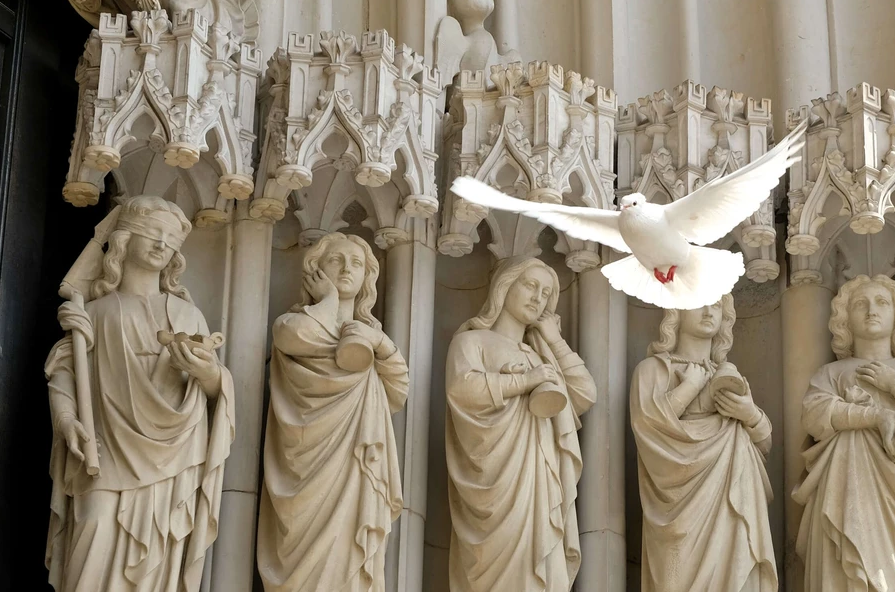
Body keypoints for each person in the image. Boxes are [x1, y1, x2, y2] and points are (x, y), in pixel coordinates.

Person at [44, 196, 234, 591]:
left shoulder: (188, 315)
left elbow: (214, 388)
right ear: (124, 241)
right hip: (106, 447)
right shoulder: (94, 313)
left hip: (174, 453)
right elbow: (64, 372)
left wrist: (210, 373)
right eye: (152, 233)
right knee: (94, 527)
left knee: (157, 554)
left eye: (170, 239)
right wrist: (65, 420)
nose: (162, 244)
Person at [257, 233, 411, 591]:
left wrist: (380, 342)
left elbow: (398, 391)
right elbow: (294, 336)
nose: (346, 269)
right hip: (306, 464)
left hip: (357, 462)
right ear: (316, 271)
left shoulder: (371, 336)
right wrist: (326, 300)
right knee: (301, 552)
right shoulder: (294, 324)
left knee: (348, 552)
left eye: (356, 264)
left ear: (367, 278)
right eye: (335, 261)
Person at [444, 257, 597, 591]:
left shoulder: (541, 356)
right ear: (504, 287)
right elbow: (462, 388)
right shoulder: (472, 341)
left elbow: (584, 394)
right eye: (530, 286)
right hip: (494, 476)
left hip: (538, 478)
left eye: (546, 293)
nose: (537, 298)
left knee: (537, 557)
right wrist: (523, 382)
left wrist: (552, 338)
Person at [794, 274, 895, 591]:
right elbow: (814, 415)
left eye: (882, 303)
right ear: (844, 319)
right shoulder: (832, 373)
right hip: (846, 489)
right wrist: (872, 417)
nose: (871, 311)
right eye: (860, 304)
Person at [631, 294, 778, 592]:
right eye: (700, 302)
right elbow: (648, 427)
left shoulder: (730, 376)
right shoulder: (653, 370)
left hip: (733, 499)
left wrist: (750, 414)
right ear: (677, 311)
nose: (709, 311)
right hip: (678, 507)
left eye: (716, 305)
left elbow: (763, 446)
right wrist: (690, 387)